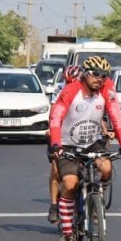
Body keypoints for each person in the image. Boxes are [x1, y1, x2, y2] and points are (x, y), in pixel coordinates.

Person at [47, 57, 121, 241]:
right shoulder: (71, 90)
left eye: (104, 76)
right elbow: (55, 118)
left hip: (92, 142)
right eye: (95, 74)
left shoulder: (106, 91)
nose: (100, 79)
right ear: (85, 73)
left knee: (106, 168)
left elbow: (117, 118)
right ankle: (68, 233)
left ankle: (97, 200)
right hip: (68, 144)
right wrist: (55, 143)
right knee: (69, 184)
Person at [47, 64, 84, 224]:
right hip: (61, 133)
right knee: (56, 170)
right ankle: (54, 205)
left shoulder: (87, 89)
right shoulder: (60, 89)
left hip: (81, 133)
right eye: (69, 83)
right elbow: (54, 113)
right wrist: (52, 131)